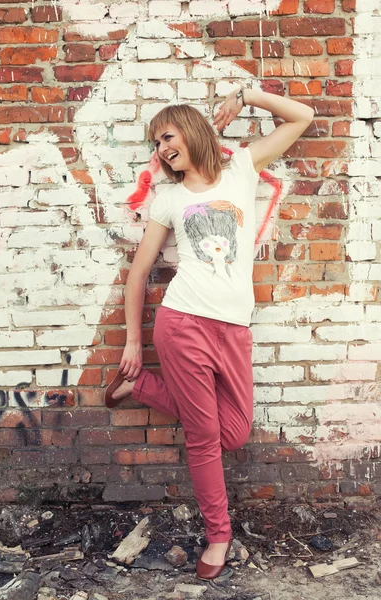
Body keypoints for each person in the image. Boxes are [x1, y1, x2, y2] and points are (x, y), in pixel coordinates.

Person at [105, 86, 314, 580]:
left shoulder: (241, 166)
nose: (161, 148)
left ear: (192, 130)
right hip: (183, 326)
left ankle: (144, 389)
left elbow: (301, 116)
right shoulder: (169, 198)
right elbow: (138, 274)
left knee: (234, 434)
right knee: (204, 439)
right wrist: (134, 341)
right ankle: (218, 536)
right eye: (155, 143)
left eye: (167, 135)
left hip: (234, 329)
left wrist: (248, 95)